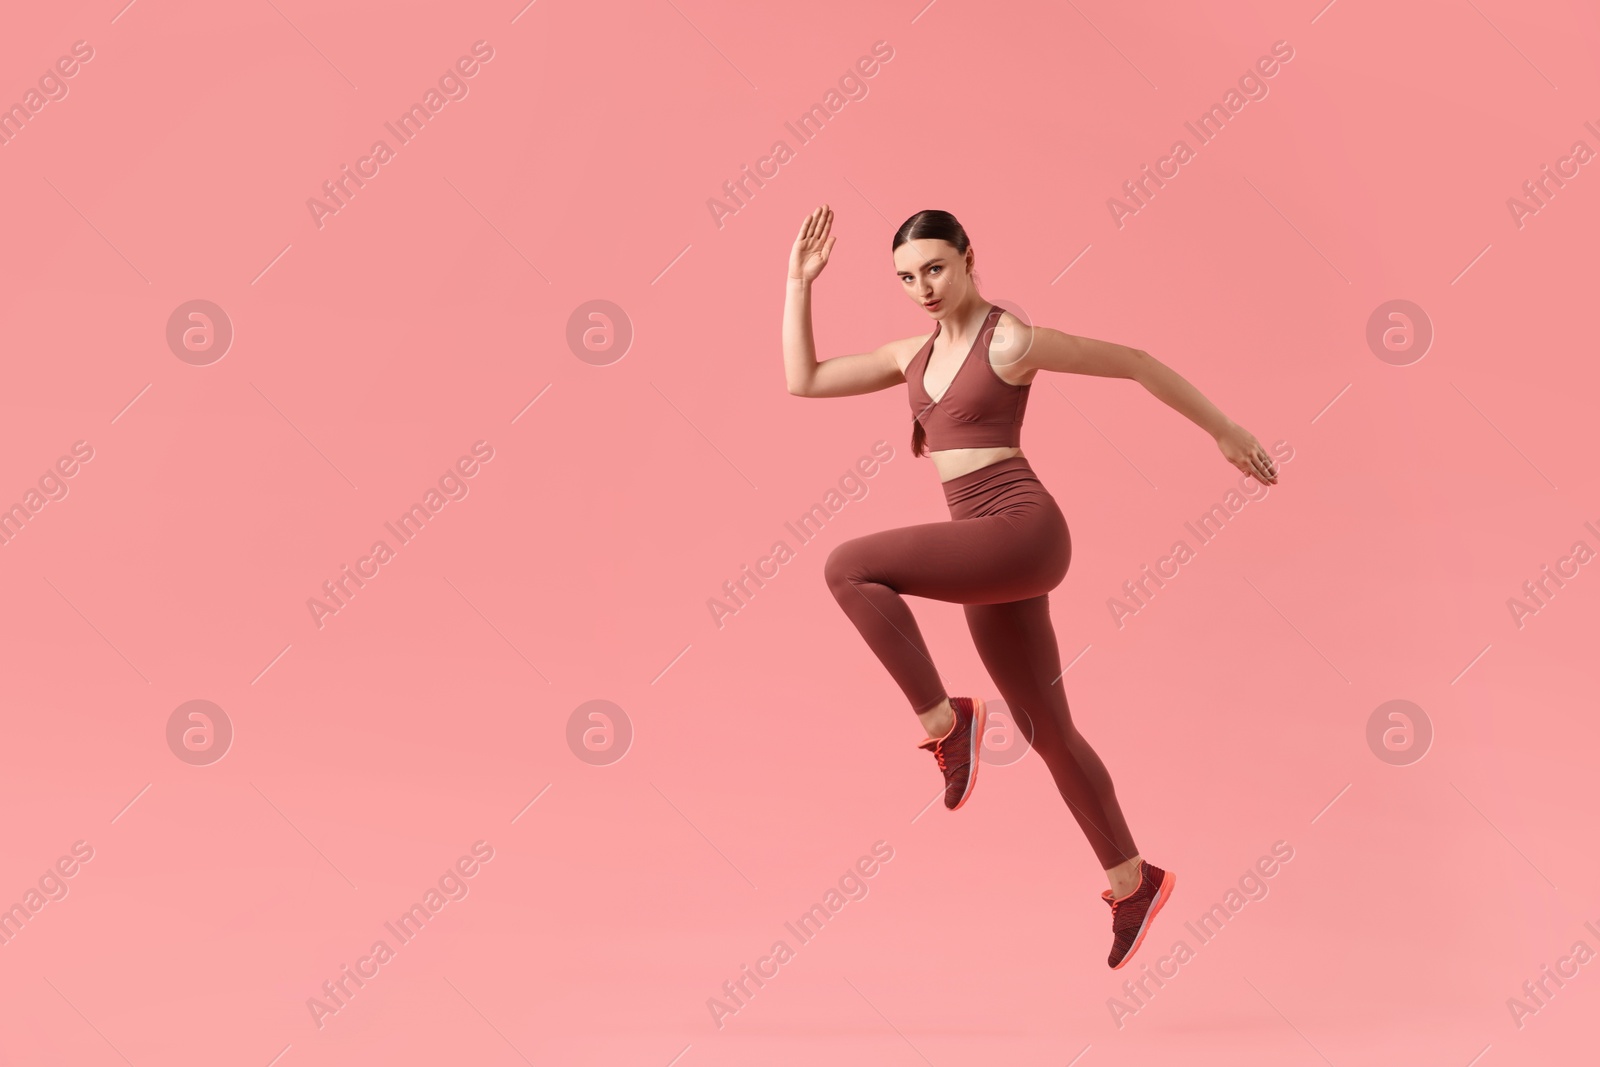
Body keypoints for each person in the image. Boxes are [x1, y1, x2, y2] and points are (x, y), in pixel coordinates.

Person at [781, 204, 1281, 969]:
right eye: (908, 277)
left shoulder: (1009, 340)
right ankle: (1131, 878)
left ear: (969, 257)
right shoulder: (909, 357)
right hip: (985, 553)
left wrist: (1224, 428)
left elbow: (1138, 360)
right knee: (1049, 731)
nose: (923, 287)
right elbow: (804, 380)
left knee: (847, 565)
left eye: (936, 268)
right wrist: (799, 282)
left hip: (1021, 529)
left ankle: (947, 723)